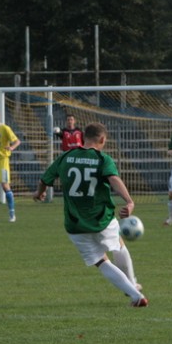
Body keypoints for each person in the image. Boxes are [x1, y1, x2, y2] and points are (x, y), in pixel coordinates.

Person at [33, 122, 148, 307]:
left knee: (101, 262)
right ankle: (132, 283)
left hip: (75, 224)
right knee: (119, 246)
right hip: (102, 219)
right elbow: (114, 179)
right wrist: (129, 201)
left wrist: (39, 193)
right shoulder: (102, 159)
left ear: (83, 137)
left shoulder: (66, 157)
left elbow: (44, 179)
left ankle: (135, 295)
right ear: (102, 139)